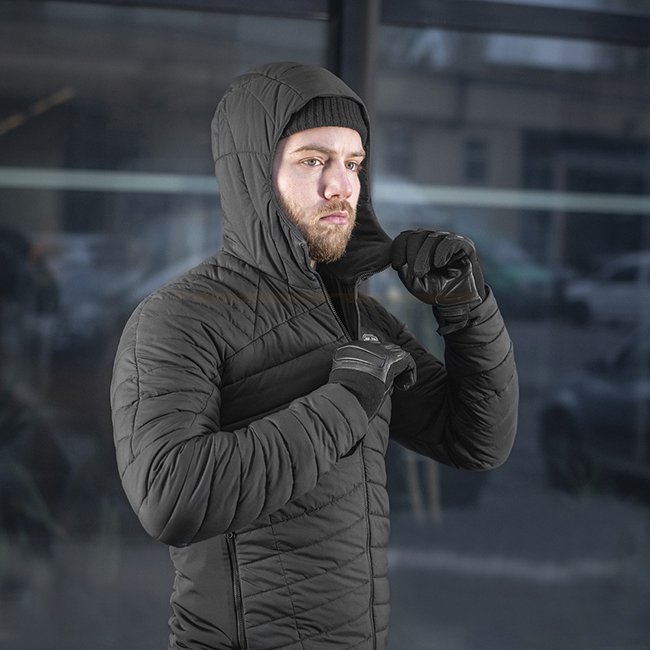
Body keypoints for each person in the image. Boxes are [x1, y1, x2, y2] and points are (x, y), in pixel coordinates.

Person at [110, 62, 518, 650]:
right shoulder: (179, 318)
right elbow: (170, 499)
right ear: (254, 171)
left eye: (353, 164)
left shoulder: (359, 317)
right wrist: (346, 400)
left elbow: (475, 440)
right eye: (312, 160)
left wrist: (466, 310)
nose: (340, 186)